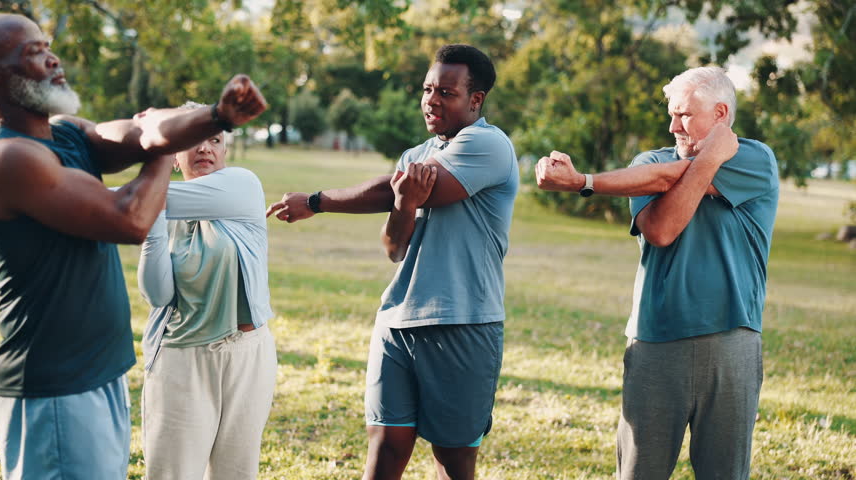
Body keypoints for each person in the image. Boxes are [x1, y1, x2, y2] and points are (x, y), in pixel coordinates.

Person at [0, 13, 266, 479]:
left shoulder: (69, 132)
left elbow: (141, 136)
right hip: (55, 384)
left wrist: (216, 116)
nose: (53, 58)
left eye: (47, 45)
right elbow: (131, 217)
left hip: (100, 370)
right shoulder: (7, 159)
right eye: (33, 52)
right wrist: (164, 143)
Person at [267, 44, 518, 480]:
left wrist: (316, 201)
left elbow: (393, 188)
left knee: (453, 462)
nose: (431, 100)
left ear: (476, 100)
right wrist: (404, 203)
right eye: (426, 89)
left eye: (446, 92)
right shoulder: (415, 155)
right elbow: (395, 247)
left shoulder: (489, 145)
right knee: (384, 452)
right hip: (397, 322)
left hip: (462, 322)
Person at [534, 66, 779, 479]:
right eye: (671, 114)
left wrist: (584, 182)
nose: (672, 126)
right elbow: (663, 230)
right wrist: (710, 156)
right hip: (655, 341)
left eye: (683, 115)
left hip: (731, 340)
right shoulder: (647, 164)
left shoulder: (756, 158)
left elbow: (672, 179)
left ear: (720, 114)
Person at [136, 102, 277, 480]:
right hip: (181, 360)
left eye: (214, 139)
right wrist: (153, 226)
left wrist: (145, 201)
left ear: (225, 151)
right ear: (174, 157)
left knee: (236, 473)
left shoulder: (242, 187)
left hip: (248, 356)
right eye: (193, 140)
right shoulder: (161, 206)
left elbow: (127, 199)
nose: (205, 149)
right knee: (172, 472)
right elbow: (159, 296)